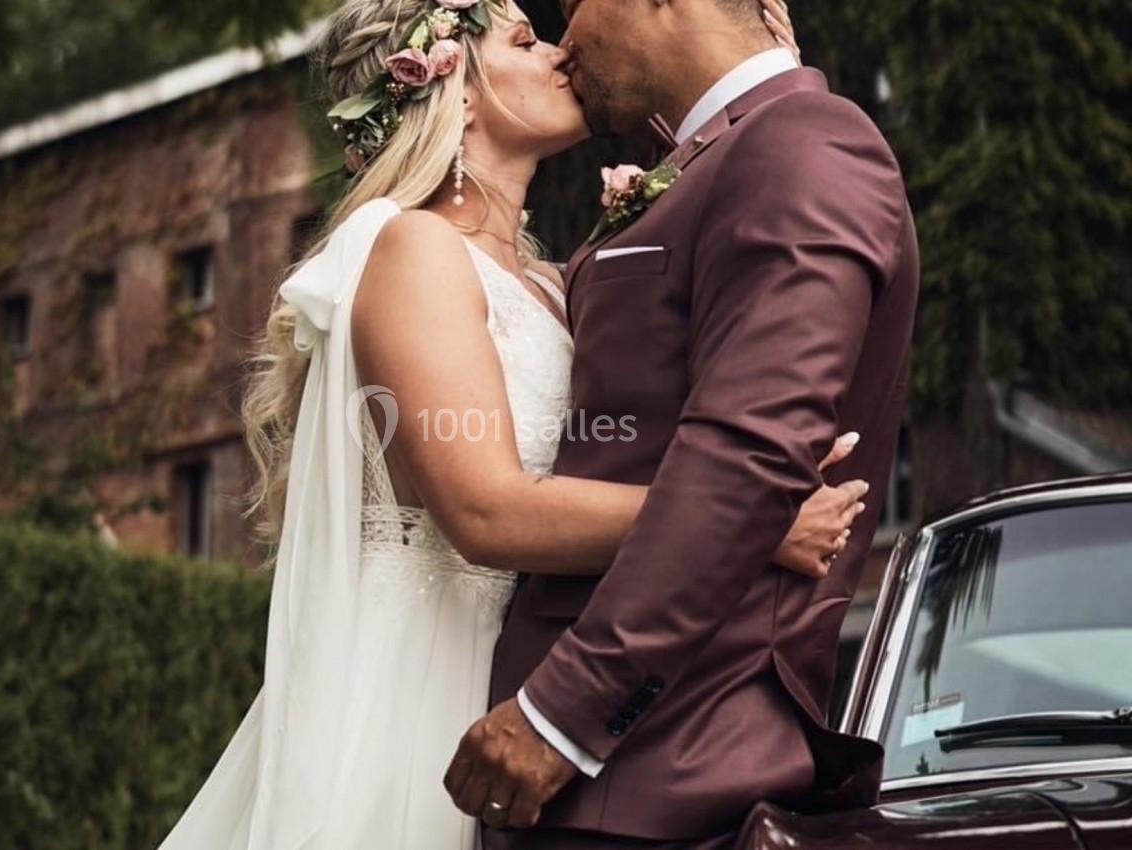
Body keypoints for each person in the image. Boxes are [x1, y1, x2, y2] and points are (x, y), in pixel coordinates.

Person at [153, 1, 856, 849]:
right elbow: (489, 511)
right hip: (414, 700)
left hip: (519, 680)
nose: (563, 54)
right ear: (456, 90)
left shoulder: (554, 283)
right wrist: (753, 521)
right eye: (525, 41)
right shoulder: (412, 249)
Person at [444, 1, 921, 848]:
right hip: (592, 790)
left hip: (661, 776)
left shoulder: (805, 141)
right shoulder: (721, 157)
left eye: (575, 4)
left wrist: (561, 715)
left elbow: (749, 451)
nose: (568, 37)